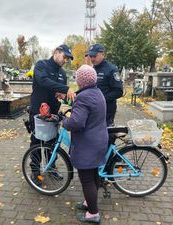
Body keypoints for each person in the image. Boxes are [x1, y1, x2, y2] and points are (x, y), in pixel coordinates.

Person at [62, 65, 108, 224]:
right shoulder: (97, 92)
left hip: (88, 145)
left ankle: (93, 214)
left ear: (80, 81)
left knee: (86, 179)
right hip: (99, 141)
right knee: (94, 175)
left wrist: (64, 120)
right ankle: (90, 202)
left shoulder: (83, 97)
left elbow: (76, 123)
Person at [29, 44, 76, 185]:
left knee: (52, 141)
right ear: (56, 52)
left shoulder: (62, 73)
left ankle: (51, 168)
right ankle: (35, 171)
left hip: (53, 113)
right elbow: (43, 82)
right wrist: (65, 89)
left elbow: (62, 95)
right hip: (38, 111)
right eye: (64, 57)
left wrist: (67, 98)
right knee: (37, 141)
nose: (65, 60)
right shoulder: (41, 65)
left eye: (68, 58)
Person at [87, 44, 123, 126]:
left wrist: (101, 99)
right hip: (93, 110)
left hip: (106, 111)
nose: (92, 58)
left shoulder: (111, 69)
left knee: (105, 136)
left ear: (102, 54)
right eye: (90, 56)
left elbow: (118, 91)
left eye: (94, 56)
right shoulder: (92, 69)